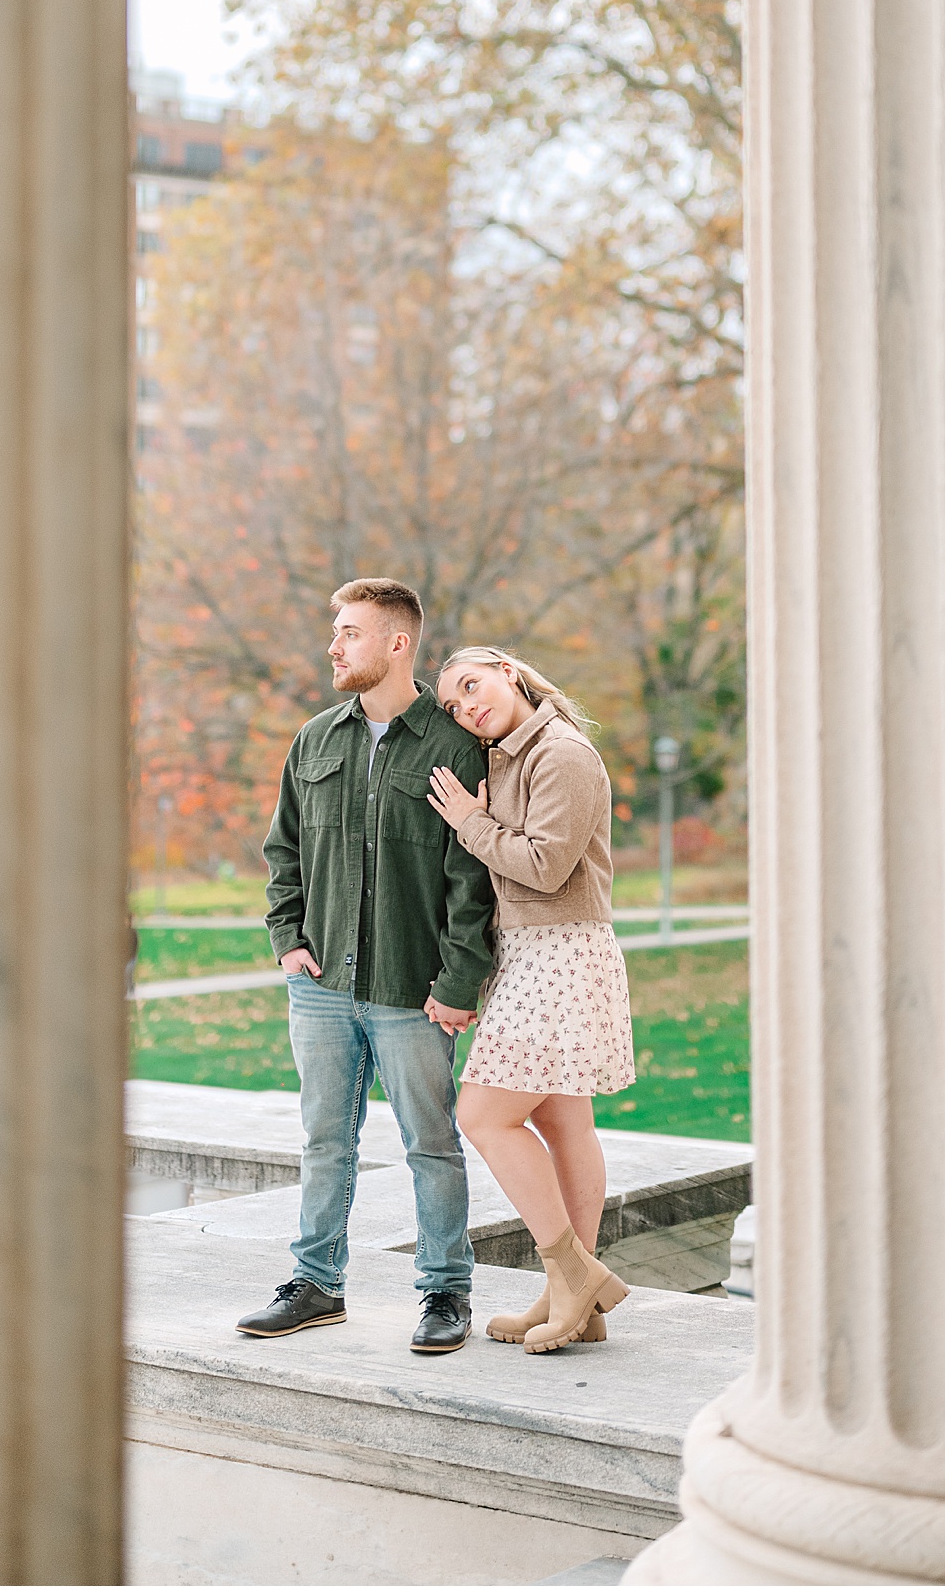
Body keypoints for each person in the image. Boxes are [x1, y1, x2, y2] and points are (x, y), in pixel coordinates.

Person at [237, 579, 495, 1355]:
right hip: (320, 989)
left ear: (395, 643)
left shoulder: (453, 748)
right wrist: (287, 936)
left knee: (431, 1142)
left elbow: (470, 880)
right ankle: (316, 1284)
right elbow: (283, 850)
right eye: (336, 632)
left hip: (410, 992)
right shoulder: (314, 739)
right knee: (324, 1140)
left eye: (350, 633)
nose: (334, 647)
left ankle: (446, 1290)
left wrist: (456, 983)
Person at [427, 645, 635, 1353]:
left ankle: (573, 1274)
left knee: (483, 1114)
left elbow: (546, 868)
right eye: (453, 705)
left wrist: (471, 824)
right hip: (534, 952)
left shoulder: (562, 754)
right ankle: (575, 1299)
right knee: (562, 1121)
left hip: (562, 950)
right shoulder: (511, 757)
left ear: (507, 673)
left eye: (472, 686)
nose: (466, 707)